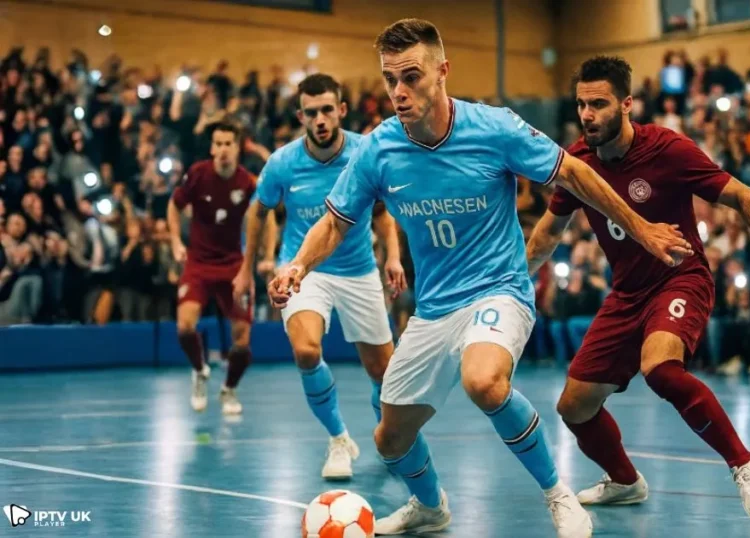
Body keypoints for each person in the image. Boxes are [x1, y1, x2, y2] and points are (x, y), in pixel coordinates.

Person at [268, 19, 687, 538]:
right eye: (389, 79)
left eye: (412, 76)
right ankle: (429, 506)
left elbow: (574, 173)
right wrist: (298, 266)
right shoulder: (377, 149)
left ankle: (557, 494)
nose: (399, 91)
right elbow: (336, 221)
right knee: (389, 440)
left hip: (500, 288)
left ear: (443, 72)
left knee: (484, 382)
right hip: (434, 308)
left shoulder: (494, 128)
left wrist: (642, 229)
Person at [526, 56, 750, 518]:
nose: (587, 115)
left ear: (626, 105)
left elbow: (740, 193)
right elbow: (548, 231)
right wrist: (516, 277)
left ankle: (746, 464)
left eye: (598, 104)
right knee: (574, 407)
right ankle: (624, 482)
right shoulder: (577, 162)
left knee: (660, 368)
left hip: (680, 279)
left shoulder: (668, 150)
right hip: (625, 294)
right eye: (581, 105)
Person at [239, 74, 405, 480]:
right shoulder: (282, 163)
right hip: (304, 270)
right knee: (307, 351)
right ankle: (338, 439)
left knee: (384, 374)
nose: (320, 120)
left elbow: (383, 214)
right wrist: (247, 268)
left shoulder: (366, 152)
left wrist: (393, 257)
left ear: (341, 110)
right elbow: (257, 211)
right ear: (300, 116)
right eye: (311, 113)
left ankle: (388, 438)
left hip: (359, 270)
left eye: (327, 110)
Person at [168, 121, 257, 415]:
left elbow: (265, 217)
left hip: (233, 266)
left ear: (237, 148)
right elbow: (174, 205)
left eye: (227, 144)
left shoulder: (248, 183)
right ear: (211, 148)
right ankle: (199, 370)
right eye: (217, 144)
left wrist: (259, 258)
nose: (222, 150)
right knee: (184, 328)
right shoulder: (197, 174)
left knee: (242, 343)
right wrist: (175, 242)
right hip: (198, 262)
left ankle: (229, 389)